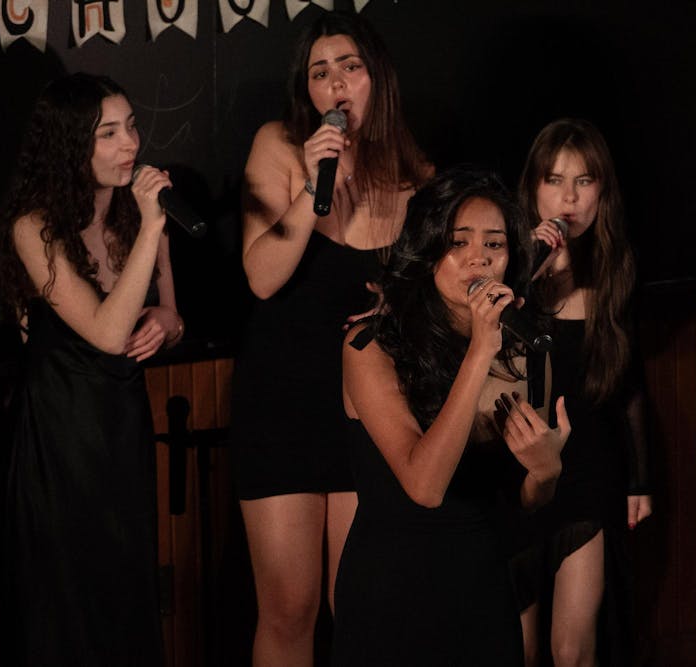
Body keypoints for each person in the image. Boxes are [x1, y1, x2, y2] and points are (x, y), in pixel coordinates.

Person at [229, 11, 429, 665]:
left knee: (362, 601)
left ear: (378, 80)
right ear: (308, 92)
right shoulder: (279, 148)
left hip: (366, 413)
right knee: (289, 607)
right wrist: (311, 201)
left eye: (349, 66)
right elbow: (260, 277)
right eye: (320, 72)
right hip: (282, 402)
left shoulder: (420, 179)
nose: (335, 82)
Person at [332, 166, 570, 666]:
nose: (478, 257)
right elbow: (424, 486)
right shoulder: (370, 345)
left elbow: (520, 501)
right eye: (458, 242)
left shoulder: (520, 347)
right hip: (394, 590)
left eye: (494, 244)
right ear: (427, 250)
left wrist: (546, 470)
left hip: (479, 583)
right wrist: (480, 351)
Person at [0, 73, 182, 665]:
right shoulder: (34, 226)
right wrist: (153, 226)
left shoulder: (141, 214)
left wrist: (167, 325)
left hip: (123, 428)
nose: (129, 143)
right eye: (108, 132)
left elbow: (173, 315)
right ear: (71, 142)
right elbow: (104, 332)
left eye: (130, 126)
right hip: (61, 436)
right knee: (65, 607)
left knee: (124, 596)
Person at [516, 118, 652, 667]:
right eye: (554, 179)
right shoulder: (504, 262)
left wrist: (640, 479)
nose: (568, 197)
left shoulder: (615, 272)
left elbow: (628, 385)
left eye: (584, 181)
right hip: (514, 473)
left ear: (603, 192)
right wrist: (528, 264)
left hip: (589, 471)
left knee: (574, 651)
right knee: (516, 649)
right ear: (532, 189)